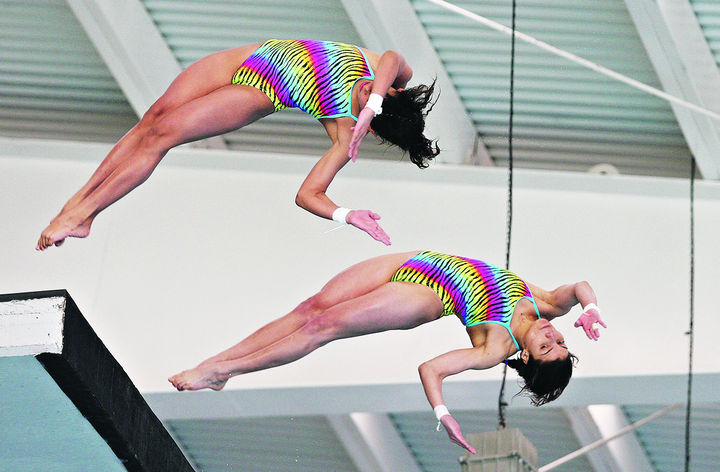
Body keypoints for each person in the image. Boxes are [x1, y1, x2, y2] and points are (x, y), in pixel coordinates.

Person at [168, 250, 606, 453]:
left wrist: (443, 415)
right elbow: (581, 285)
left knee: (323, 326)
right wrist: (590, 309)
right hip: (417, 260)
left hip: (425, 294)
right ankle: (216, 365)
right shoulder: (549, 304)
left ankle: (226, 371)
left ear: (526, 358)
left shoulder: (495, 348)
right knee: (310, 308)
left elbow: (431, 369)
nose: (552, 335)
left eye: (546, 347)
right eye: (560, 341)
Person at [35, 39, 440, 251]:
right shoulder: (389, 78)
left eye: (369, 97)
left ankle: (86, 213)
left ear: (372, 130)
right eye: (375, 91)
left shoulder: (344, 134)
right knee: (151, 119)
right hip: (248, 56)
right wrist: (374, 101)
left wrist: (346, 215)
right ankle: (78, 207)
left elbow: (308, 195)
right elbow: (393, 56)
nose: (367, 87)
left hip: (258, 91)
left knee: (163, 135)